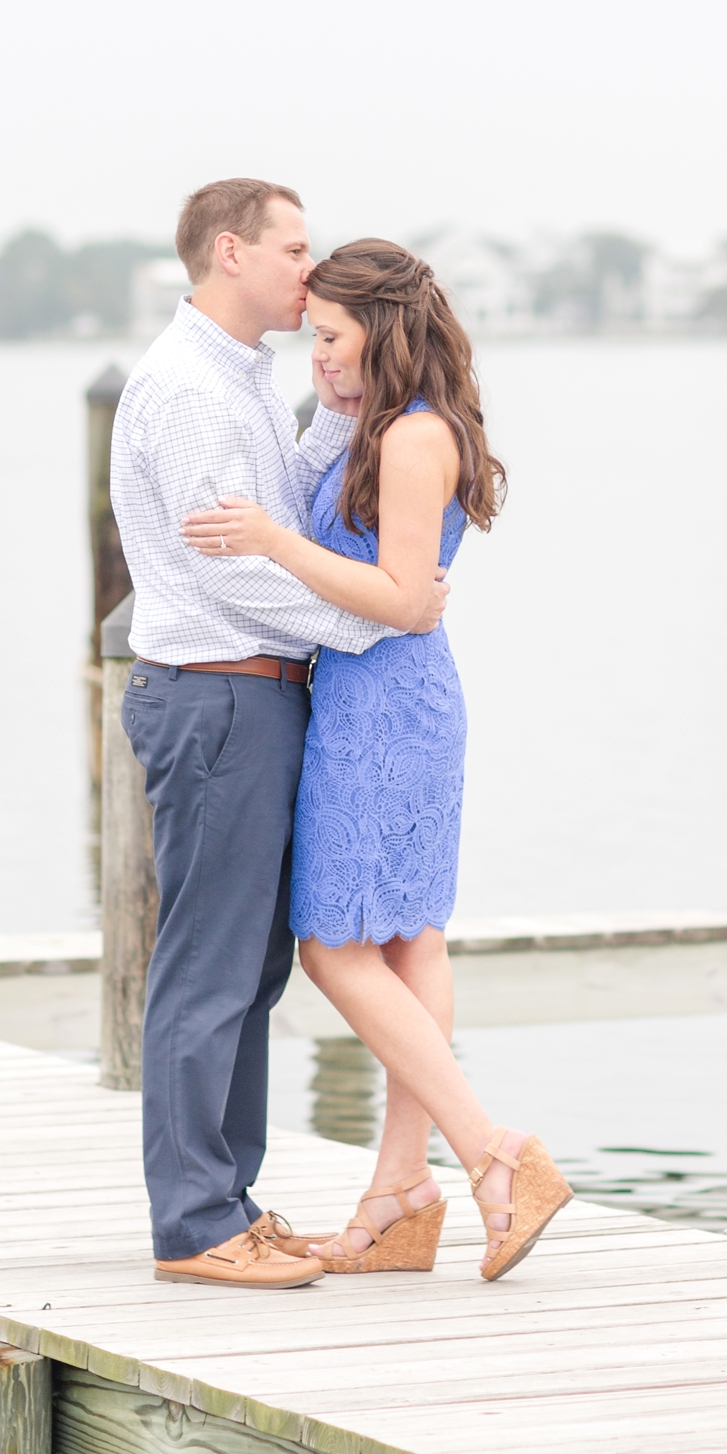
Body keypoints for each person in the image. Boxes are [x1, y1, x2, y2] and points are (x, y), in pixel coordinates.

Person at [181, 238, 572, 1281]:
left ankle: (493, 1153)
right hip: (388, 699)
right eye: (314, 336)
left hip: (383, 710)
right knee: (408, 944)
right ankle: (398, 1197)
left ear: (382, 334)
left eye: (332, 337)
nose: (318, 354)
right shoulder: (386, 428)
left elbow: (401, 599)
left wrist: (272, 541)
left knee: (334, 947)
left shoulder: (410, 441)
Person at [109, 181, 450, 1291]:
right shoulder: (193, 391)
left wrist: (340, 417)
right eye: (294, 249)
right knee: (209, 966)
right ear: (229, 251)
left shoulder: (238, 379)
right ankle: (196, 1224)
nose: (310, 273)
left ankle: (231, 1203)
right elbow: (238, 565)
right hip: (213, 691)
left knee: (248, 968)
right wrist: (372, 619)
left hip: (250, 693)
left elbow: (284, 521)